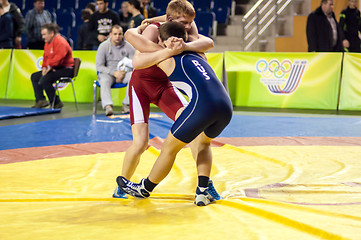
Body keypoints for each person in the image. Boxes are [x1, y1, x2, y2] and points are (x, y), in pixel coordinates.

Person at [113, 0, 221, 203]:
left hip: (165, 86)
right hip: (141, 87)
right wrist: (168, 51)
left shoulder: (185, 27)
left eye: (190, 23)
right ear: (170, 19)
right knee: (140, 143)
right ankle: (122, 184)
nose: (188, 27)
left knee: (195, 133)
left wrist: (185, 45)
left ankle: (204, 184)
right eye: (184, 22)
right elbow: (137, 58)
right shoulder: (153, 31)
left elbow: (206, 42)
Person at [30, 23, 74, 109]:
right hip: (54, 68)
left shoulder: (61, 41)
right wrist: (44, 68)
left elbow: (59, 58)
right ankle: (41, 100)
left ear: (52, 33)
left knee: (45, 79)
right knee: (34, 76)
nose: (43, 37)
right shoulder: (47, 42)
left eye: (44, 34)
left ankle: (56, 102)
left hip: (66, 69)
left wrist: (49, 68)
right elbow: (45, 57)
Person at [96, 25, 135, 116]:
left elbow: (134, 64)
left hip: (124, 73)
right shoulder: (103, 46)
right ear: (110, 35)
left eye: (120, 34)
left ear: (123, 35)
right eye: (115, 34)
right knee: (104, 80)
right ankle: (108, 106)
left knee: (134, 77)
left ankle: (126, 104)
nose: (117, 36)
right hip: (109, 73)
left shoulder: (129, 47)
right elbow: (99, 66)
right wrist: (114, 73)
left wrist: (123, 73)